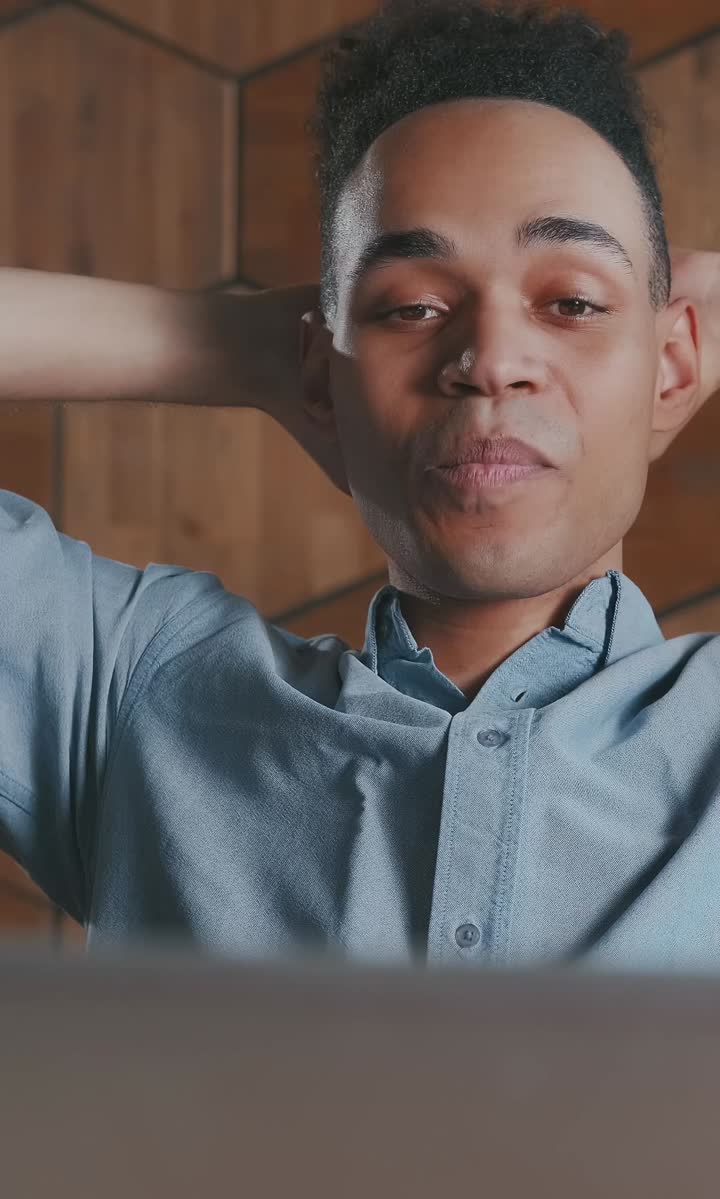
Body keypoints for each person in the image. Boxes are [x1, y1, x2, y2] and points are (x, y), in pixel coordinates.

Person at [1, 0, 719, 968]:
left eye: (574, 301)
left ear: (673, 367)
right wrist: (246, 349)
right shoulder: (140, 698)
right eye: (414, 307)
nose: (490, 358)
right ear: (320, 379)